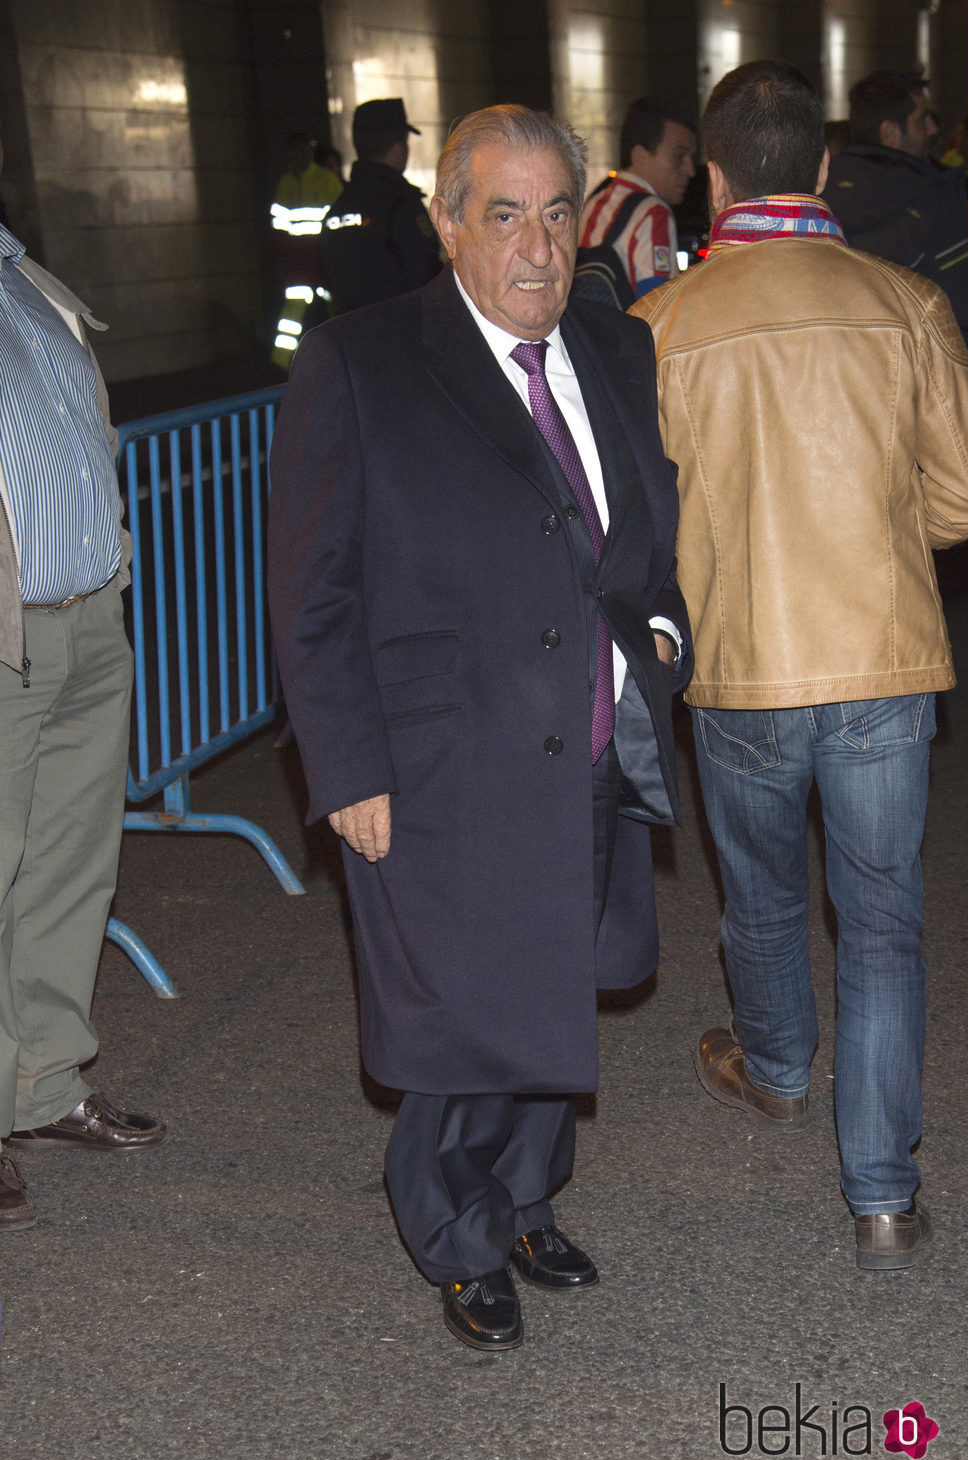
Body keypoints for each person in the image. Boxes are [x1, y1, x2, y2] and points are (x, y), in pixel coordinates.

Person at [269, 104, 690, 1349]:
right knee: (458, 1013)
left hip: (589, 739)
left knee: (552, 986)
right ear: (449, 223)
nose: (537, 246)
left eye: (557, 213)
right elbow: (312, 589)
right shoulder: (363, 362)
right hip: (437, 755)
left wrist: (659, 639)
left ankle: (518, 1200)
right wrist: (343, 764)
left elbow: (644, 535)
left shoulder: (617, 353)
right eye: (503, 214)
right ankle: (453, 1233)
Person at [631, 61, 968, 1271]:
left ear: (712, 178)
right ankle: (881, 1198)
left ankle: (775, 1067)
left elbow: (633, 521)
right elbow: (964, 495)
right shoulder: (902, 306)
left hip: (738, 666)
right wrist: (881, 532)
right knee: (882, 926)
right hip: (881, 656)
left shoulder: (661, 324)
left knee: (765, 894)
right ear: (823, 169)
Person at [0, 142, 167, 1234]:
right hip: (8, 640)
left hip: (86, 621)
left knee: (68, 867)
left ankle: (42, 1084)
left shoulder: (30, 283)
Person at [823, 71, 968, 342]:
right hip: (916, 370)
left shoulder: (819, 188)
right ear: (890, 132)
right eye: (922, 119)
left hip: (837, 369)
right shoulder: (934, 196)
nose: (932, 128)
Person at [318, 97, 441, 316]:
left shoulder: (338, 207)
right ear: (397, 149)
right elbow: (426, 278)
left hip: (349, 336)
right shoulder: (402, 205)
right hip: (401, 335)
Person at [578, 97, 697, 302]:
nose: (690, 170)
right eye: (679, 156)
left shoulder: (593, 203)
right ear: (640, 156)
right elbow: (659, 306)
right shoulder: (653, 213)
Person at [270, 131, 342, 369]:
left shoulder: (326, 181)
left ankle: (337, 359)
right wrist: (282, 260)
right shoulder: (286, 183)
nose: (301, 155)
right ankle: (281, 364)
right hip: (299, 262)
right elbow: (279, 228)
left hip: (323, 259)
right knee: (293, 314)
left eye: (305, 150)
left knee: (333, 310)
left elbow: (339, 222)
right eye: (297, 150)